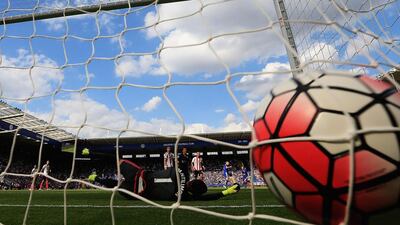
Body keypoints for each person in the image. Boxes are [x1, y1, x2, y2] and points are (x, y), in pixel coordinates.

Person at [89, 160, 240, 201]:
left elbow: (204, 197)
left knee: (118, 170)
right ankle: (97, 178)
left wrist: (225, 192)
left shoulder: (183, 176)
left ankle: (96, 176)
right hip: (138, 189)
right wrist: (224, 192)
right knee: (117, 185)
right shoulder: (185, 196)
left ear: (192, 184)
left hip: (139, 179)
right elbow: (205, 198)